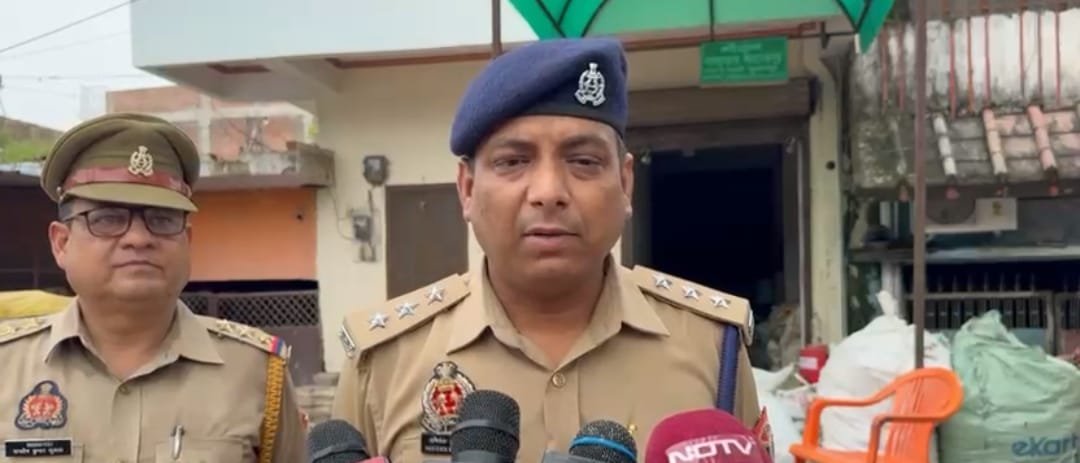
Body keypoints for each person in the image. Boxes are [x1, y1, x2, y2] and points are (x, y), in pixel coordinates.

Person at [332, 37, 768, 462]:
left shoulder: (714, 348)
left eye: (584, 161)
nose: (548, 192)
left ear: (624, 183)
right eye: (513, 162)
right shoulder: (384, 362)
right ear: (467, 189)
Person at [0, 113, 306, 462]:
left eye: (161, 219)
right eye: (108, 219)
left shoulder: (254, 372)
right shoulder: (7, 367)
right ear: (61, 243)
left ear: (187, 241)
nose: (138, 238)